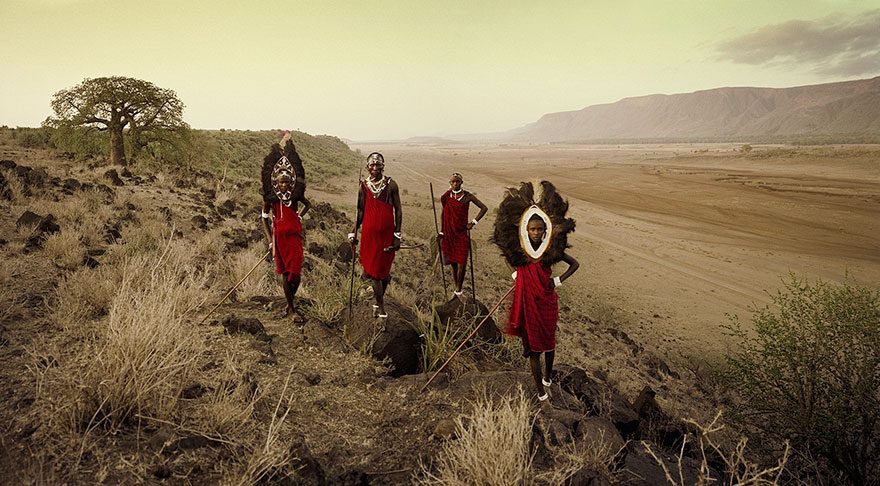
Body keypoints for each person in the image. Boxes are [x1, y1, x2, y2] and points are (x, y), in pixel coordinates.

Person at [492, 181, 578, 403]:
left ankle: (547, 379)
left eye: (540, 229)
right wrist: (516, 275)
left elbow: (574, 264)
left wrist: (556, 281)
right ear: (526, 230)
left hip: (547, 301)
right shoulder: (520, 250)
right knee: (533, 349)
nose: (537, 233)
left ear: (545, 230)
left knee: (549, 343)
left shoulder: (550, 250)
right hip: (527, 300)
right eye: (533, 229)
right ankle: (541, 394)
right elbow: (507, 258)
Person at [261, 131, 311, 322]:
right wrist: (270, 241)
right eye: (281, 182)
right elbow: (264, 218)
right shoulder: (271, 198)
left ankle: (290, 302)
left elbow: (308, 205)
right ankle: (291, 308)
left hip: (295, 237)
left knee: (295, 274)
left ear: (291, 183)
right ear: (276, 181)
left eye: (287, 182)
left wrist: (299, 217)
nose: (284, 185)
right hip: (279, 239)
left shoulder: (295, 196)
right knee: (284, 272)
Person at [349, 152, 402, 318]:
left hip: (387, 235)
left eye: (378, 164)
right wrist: (353, 231)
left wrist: (397, 235)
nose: (375, 167)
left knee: (384, 272)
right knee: (375, 273)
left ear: (383, 166)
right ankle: (381, 309)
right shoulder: (364, 186)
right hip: (369, 236)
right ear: (367, 167)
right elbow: (360, 211)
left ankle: (377, 302)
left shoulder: (391, 185)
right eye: (372, 164)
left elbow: (398, 210)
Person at [437, 172, 487, 300]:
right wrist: (442, 232)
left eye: (457, 181)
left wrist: (473, 222)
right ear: (450, 183)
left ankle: (459, 290)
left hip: (462, 233)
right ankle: (456, 290)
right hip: (449, 233)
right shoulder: (447, 196)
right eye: (453, 182)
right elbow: (443, 214)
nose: (455, 184)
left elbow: (484, 208)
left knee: (462, 262)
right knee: (453, 262)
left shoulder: (467, 196)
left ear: (461, 183)